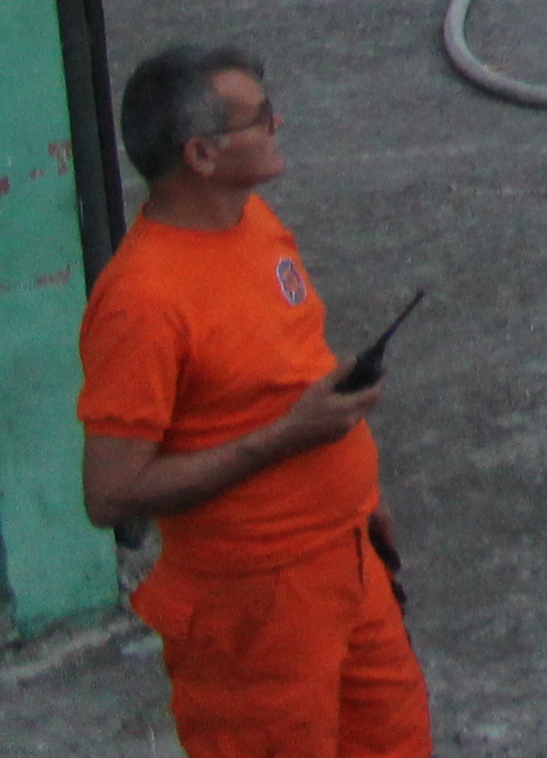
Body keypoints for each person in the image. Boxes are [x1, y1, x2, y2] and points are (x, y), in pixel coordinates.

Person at [79, 45, 431, 758]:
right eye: (261, 117)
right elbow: (110, 494)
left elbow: (292, 363)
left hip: (349, 562)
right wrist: (283, 438)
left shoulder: (255, 223)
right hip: (252, 610)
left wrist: (364, 497)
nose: (280, 123)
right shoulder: (141, 303)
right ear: (201, 155)